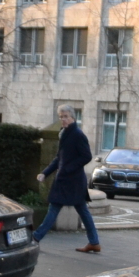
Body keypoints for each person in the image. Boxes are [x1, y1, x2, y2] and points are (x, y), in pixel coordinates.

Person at [34, 105, 101, 252]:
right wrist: (45, 173)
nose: (63, 119)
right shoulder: (64, 133)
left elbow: (87, 156)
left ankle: (35, 238)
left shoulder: (77, 134)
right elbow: (59, 158)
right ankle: (94, 242)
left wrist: (69, 168)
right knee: (80, 210)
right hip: (68, 180)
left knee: (56, 208)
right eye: (60, 117)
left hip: (72, 180)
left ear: (72, 118)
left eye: (65, 116)